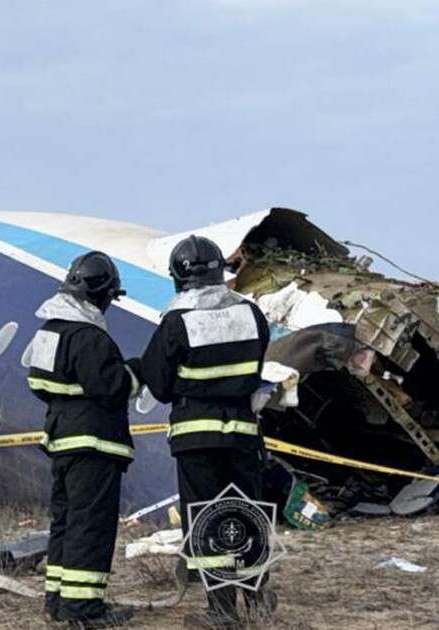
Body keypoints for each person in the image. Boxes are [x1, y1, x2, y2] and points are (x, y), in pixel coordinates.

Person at [130, 235, 273, 629]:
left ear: (178, 276)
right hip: (243, 433)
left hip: (197, 438)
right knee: (248, 513)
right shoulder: (252, 315)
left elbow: (157, 384)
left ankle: (223, 610)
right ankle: (258, 597)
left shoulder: (177, 322)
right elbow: (257, 368)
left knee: (208, 520)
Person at [27, 251, 138, 628]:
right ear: (103, 294)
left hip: (61, 441)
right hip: (93, 444)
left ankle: (57, 601)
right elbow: (111, 387)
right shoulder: (89, 337)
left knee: (67, 521)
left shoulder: (49, 331)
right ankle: (83, 610)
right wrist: (135, 373)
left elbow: (37, 384)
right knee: (91, 525)